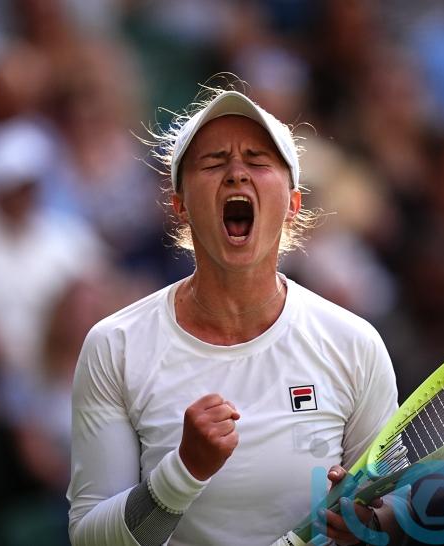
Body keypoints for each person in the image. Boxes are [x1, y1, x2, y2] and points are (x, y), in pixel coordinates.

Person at [67, 88, 401, 545]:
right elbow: (89, 539)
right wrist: (183, 472)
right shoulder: (114, 346)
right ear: (179, 204)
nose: (236, 174)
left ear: (293, 203)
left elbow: (395, 506)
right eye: (213, 162)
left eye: (258, 161)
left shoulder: (354, 343)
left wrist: (372, 527)